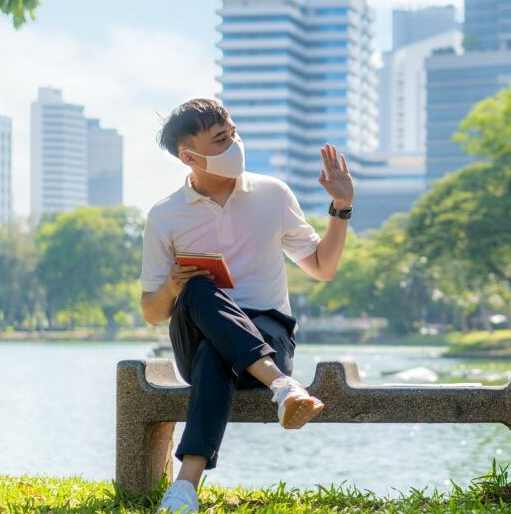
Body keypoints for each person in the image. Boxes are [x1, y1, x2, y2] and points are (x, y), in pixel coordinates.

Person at [139, 98, 355, 513]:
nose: (235, 144)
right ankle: (284, 387)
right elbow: (151, 311)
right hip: (203, 337)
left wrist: (341, 207)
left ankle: (184, 489)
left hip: (268, 333)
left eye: (234, 133)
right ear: (189, 157)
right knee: (197, 290)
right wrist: (173, 285)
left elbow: (322, 267)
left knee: (216, 349)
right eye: (221, 139)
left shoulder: (273, 194)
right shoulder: (166, 215)